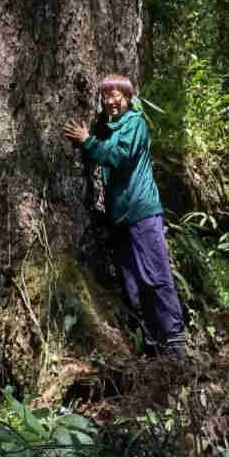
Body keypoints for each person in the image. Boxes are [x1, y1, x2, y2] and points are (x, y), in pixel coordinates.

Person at [62, 73, 185, 360]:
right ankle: (154, 347)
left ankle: (175, 343)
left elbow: (119, 156)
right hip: (120, 219)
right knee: (132, 285)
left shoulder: (134, 124)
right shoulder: (109, 128)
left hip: (142, 213)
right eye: (105, 96)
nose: (110, 101)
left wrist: (86, 141)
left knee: (156, 277)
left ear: (128, 99)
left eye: (116, 95)